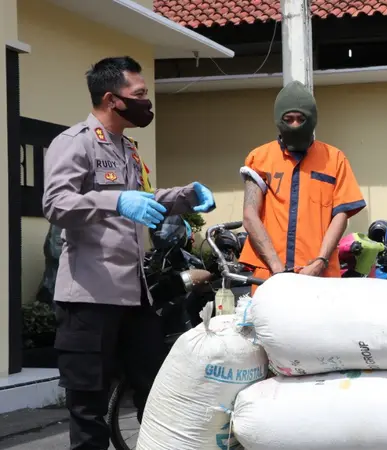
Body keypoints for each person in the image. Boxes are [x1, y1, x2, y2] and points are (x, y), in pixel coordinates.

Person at [42, 56, 216, 450]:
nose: (146, 102)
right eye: (138, 95)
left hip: (135, 293)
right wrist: (116, 201)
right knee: (89, 407)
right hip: (89, 297)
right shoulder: (75, 143)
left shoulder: (128, 149)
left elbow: (144, 198)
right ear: (111, 99)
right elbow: (56, 204)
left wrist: (183, 197)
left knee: (155, 390)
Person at [239, 81, 366, 291]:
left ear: (312, 119)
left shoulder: (334, 159)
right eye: (288, 119)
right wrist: (276, 267)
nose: (295, 125)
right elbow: (250, 214)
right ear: (278, 120)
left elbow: (340, 215)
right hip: (270, 278)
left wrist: (320, 261)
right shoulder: (259, 159)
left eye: (301, 119)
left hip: (320, 278)